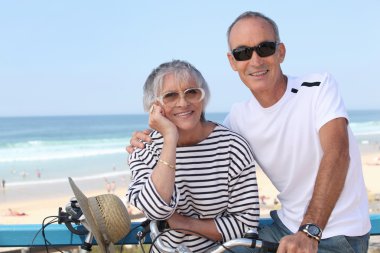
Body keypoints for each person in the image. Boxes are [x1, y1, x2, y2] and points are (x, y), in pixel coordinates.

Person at [127, 12, 371, 253]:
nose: (255, 60)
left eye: (264, 48)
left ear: (281, 52)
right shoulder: (238, 120)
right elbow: (202, 135)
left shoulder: (318, 87)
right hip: (283, 228)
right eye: (243, 52)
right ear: (233, 62)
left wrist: (309, 232)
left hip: (333, 234)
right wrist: (157, 136)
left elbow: (337, 154)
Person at [126, 60, 260, 252]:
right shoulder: (144, 147)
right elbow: (155, 209)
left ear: (203, 98)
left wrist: (183, 224)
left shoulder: (232, 147)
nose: (183, 102)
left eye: (192, 92)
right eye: (170, 96)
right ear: (154, 106)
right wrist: (170, 138)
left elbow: (246, 224)